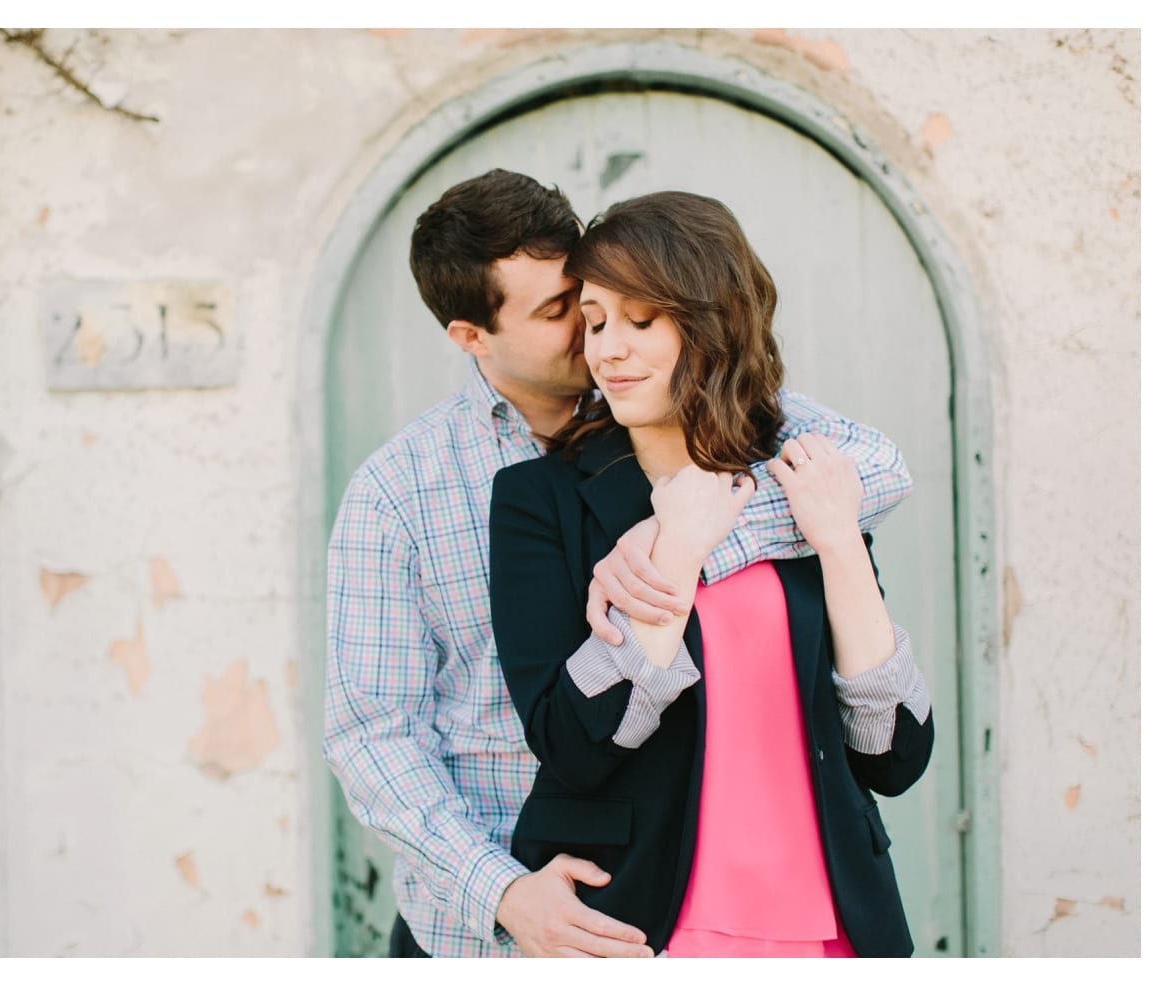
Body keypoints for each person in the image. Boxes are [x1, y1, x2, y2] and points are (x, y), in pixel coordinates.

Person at [323, 170, 916, 958]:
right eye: (563, 312)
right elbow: (373, 738)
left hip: (680, 894)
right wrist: (499, 891)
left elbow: (873, 469)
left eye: (598, 302)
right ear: (472, 336)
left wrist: (696, 533)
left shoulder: (698, 416)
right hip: (495, 915)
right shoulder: (400, 492)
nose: (593, 335)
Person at [489, 190, 934, 958]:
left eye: (640, 319)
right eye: (595, 322)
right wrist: (677, 550)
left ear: (708, 319)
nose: (608, 350)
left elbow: (892, 753)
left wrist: (836, 541)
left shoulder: (796, 483)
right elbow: (575, 746)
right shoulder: (539, 499)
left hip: (831, 927)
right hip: (645, 921)